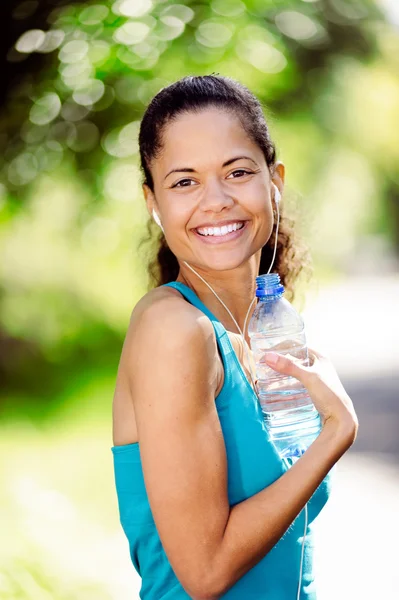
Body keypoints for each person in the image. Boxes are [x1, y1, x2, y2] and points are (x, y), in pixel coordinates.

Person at [111, 75, 358, 600]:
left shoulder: (275, 321)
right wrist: (336, 433)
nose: (216, 200)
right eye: (184, 182)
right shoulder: (172, 328)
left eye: (237, 171)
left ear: (275, 180)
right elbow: (206, 573)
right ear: (151, 201)